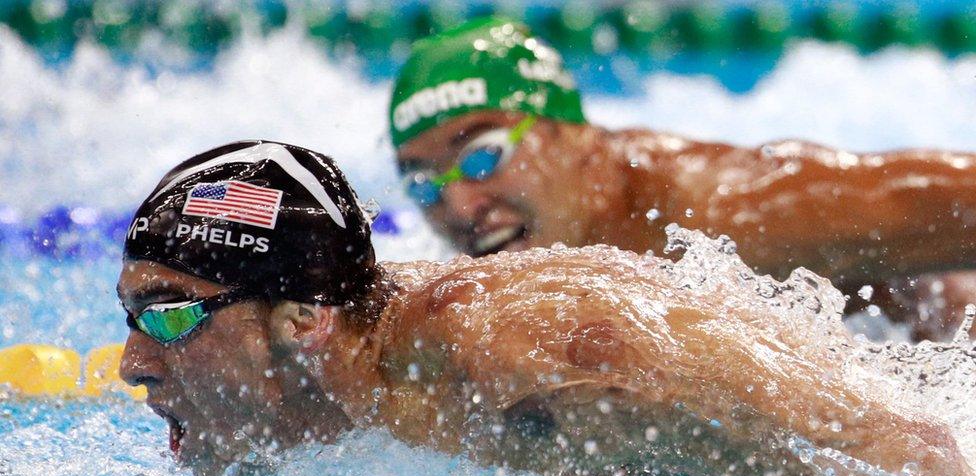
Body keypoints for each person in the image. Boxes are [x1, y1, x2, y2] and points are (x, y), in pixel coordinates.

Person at [118, 140, 975, 476]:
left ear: (303, 319)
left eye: (170, 315)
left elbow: (911, 447)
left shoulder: (511, 343)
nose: (133, 364)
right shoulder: (357, 369)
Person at [390, 17, 976, 340]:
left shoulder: (721, 211)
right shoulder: (460, 287)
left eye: (482, 157)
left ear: (577, 138)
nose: (459, 204)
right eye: (423, 183)